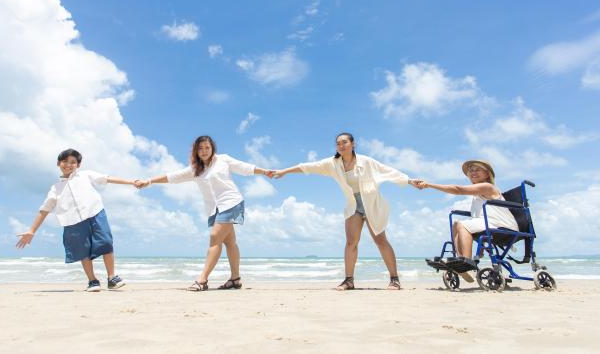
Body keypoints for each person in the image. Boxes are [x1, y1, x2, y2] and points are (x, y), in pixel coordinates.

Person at [272, 132, 419, 290]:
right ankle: (349, 280)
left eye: (344, 142)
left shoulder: (366, 161)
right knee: (351, 243)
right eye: (338, 143)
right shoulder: (333, 163)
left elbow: (388, 171)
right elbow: (308, 167)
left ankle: (394, 279)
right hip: (353, 205)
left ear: (353, 144)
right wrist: (284, 171)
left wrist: (409, 181)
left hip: (371, 203)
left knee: (381, 241)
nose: (341, 146)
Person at [135, 135, 272, 291]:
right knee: (230, 242)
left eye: (207, 147)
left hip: (231, 202)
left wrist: (264, 171)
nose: (204, 151)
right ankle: (235, 279)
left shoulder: (223, 160)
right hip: (214, 209)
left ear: (212, 148)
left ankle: (202, 280)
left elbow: (244, 168)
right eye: (200, 148)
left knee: (215, 237)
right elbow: (173, 177)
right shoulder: (195, 170)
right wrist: (149, 181)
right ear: (196, 151)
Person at [16, 148, 138, 291]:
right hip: (72, 221)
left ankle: (112, 277)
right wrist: (32, 230)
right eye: (65, 161)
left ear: (78, 165)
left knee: (106, 242)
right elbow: (44, 210)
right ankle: (92, 281)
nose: (69, 164)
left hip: (95, 213)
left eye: (73, 162)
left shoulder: (86, 175)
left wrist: (131, 182)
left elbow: (108, 179)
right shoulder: (56, 188)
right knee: (82, 251)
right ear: (58, 163)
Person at [413, 159, 518, 282]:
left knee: (462, 224)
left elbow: (458, 189)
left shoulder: (487, 187)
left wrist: (429, 185)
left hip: (502, 225)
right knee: (456, 224)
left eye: (477, 169)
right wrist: (482, 245)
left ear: (487, 173)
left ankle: (466, 263)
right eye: (470, 170)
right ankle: (460, 261)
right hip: (490, 225)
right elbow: (480, 218)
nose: (473, 172)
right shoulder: (477, 195)